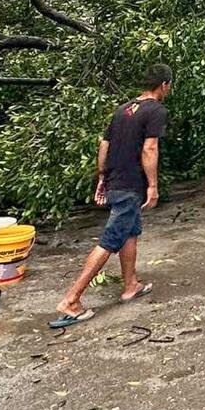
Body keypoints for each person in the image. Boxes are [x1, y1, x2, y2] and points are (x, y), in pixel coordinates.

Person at [51, 64, 172, 327]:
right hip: (131, 185)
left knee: (130, 233)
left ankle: (130, 285)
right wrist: (153, 186)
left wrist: (102, 178)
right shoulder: (156, 111)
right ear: (164, 85)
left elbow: (104, 145)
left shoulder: (122, 110)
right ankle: (71, 299)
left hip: (117, 181)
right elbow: (150, 148)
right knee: (110, 241)